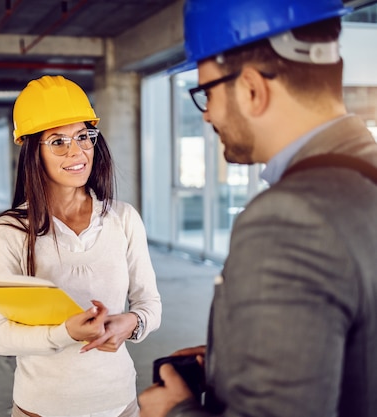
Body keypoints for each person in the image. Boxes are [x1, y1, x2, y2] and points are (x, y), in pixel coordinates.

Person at [138, 1, 377, 417]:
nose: (208, 112)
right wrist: (235, 361)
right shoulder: (363, 180)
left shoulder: (289, 219)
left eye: (206, 92)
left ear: (251, 89)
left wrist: (174, 411)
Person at [0, 75, 162, 417]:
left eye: (83, 136)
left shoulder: (123, 218)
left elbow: (148, 302)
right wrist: (64, 332)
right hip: (42, 406)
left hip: (120, 402)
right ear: (33, 149)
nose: (77, 151)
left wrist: (134, 323)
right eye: (58, 141)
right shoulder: (11, 231)